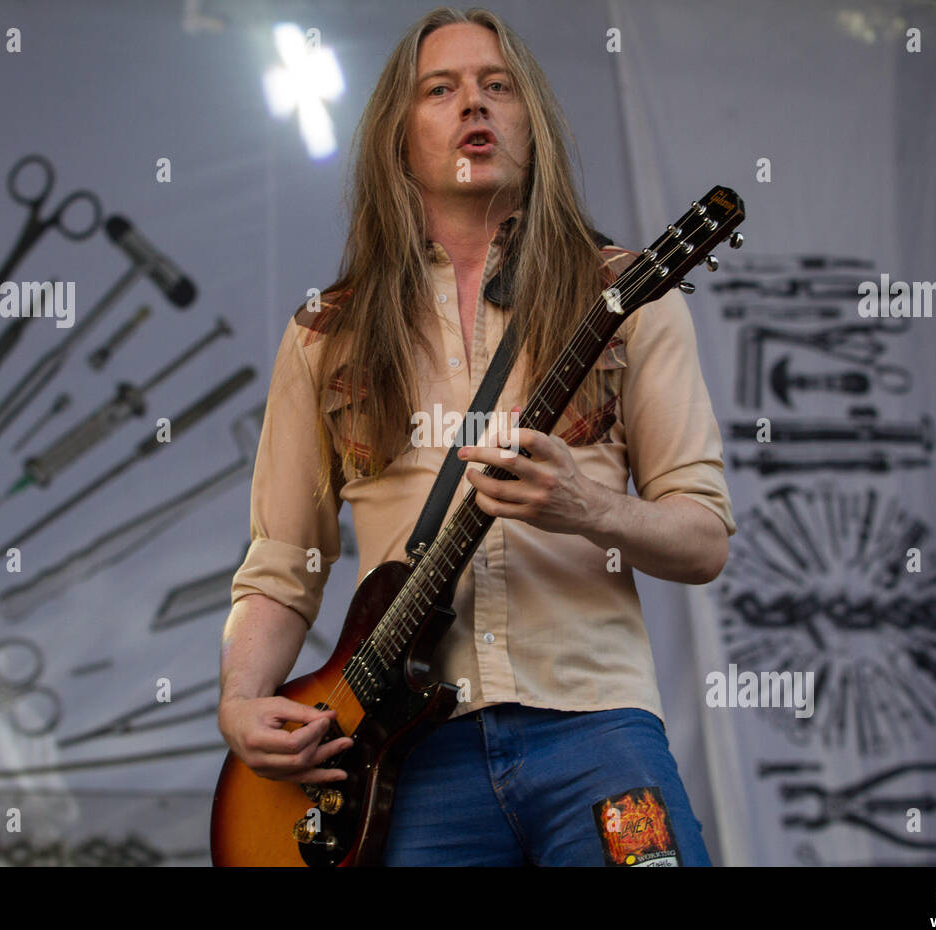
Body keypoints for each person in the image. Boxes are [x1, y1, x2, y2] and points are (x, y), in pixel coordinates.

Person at [218, 6, 736, 867]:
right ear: (399, 134)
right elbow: (281, 562)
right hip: (404, 763)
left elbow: (704, 538)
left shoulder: (630, 296)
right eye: (442, 89)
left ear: (531, 121)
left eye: (499, 87)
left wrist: (587, 508)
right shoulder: (325, 332)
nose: (475, 106)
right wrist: (240, 699)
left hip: (595, 729)